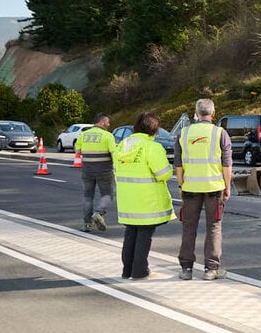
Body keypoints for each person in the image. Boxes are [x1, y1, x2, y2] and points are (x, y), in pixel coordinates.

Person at [175, 98, 233, 281]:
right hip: (214, 188)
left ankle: (186, 269)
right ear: (213, 113)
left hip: (191, 188)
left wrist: (181, 185)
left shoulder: (183, 134)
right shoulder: (220, 133)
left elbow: (178, 165)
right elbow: (227, 165)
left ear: (196, 113)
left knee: (188, 227)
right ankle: (211, 269)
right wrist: (227, 186)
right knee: (214, 227)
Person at [114, 112, 174, 280]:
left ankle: (127, 271)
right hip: (147, 200)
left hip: (127, 199)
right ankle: (140, 271)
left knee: (130, 233)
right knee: (144, 235)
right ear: (155, 129)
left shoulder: (123, 145)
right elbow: (163, 174)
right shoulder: (152, 147)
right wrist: (170, 169)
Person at [77, 113, 116, 232]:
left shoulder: (83, 135)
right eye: (108, 122)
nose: (109, 125)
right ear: (102, 122)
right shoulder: (108, 136)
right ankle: (99, 213)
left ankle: (87, 225)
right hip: (104, 171)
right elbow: (113, 154)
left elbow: (77, 152)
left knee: (87, 196)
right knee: (107, 194)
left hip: (87, 170)